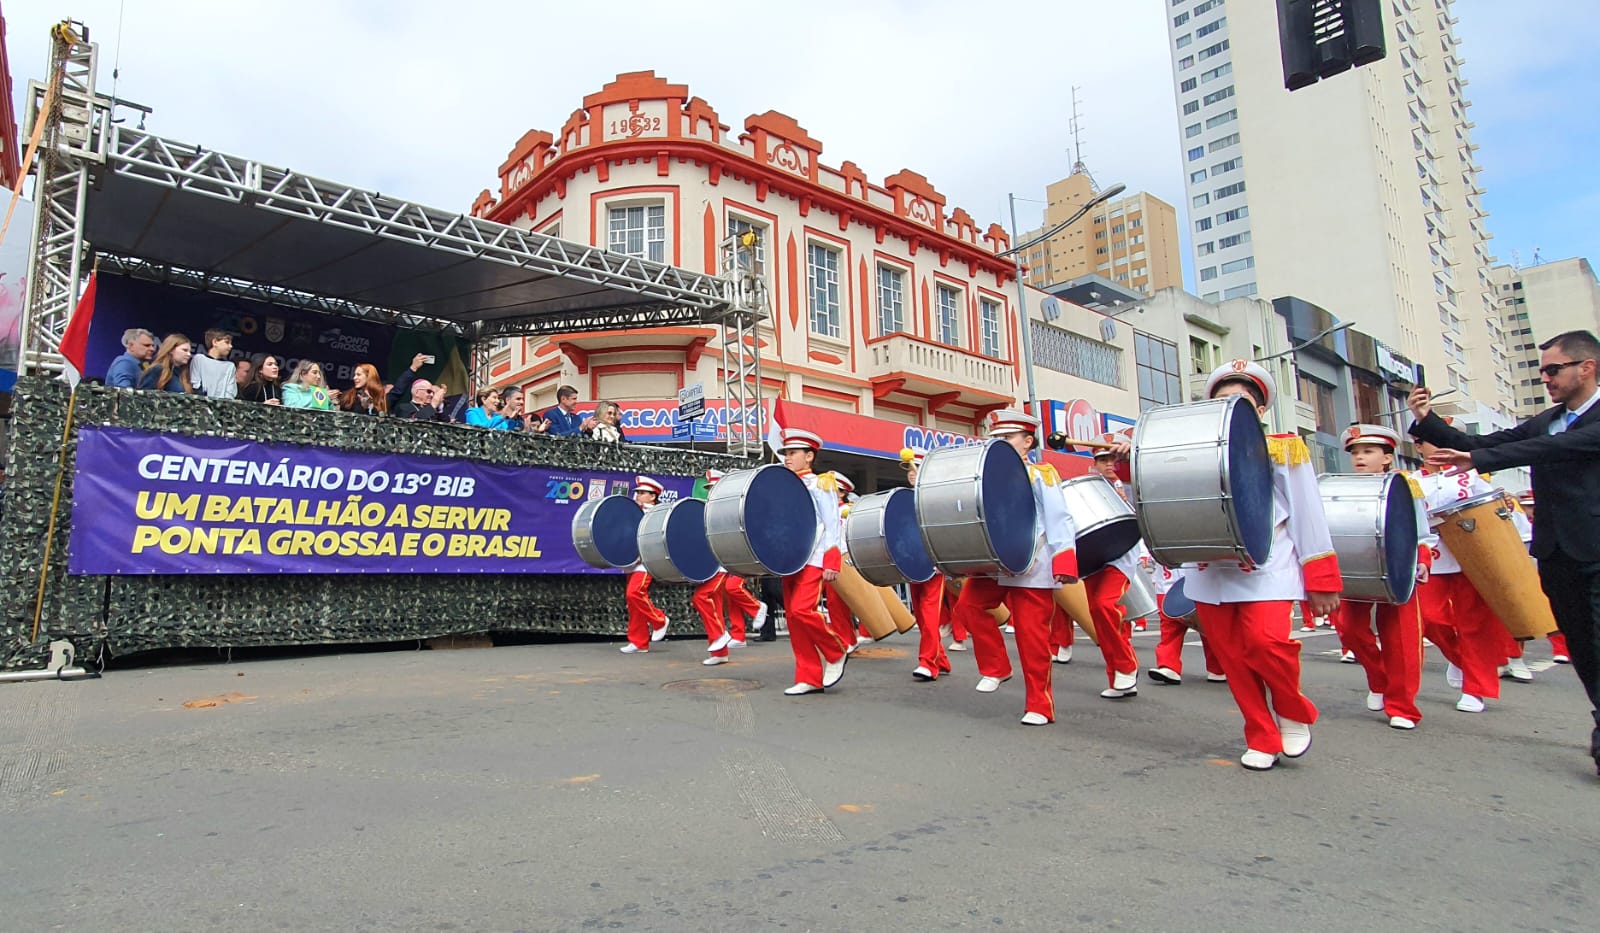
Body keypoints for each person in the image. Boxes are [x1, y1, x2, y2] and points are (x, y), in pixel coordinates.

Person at [1408, 329, 1600, 775]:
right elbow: (1490, 443)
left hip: (1595, 550)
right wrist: (1428, 419)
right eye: (1542, 371)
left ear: (1586, 367)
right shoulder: (1548, 420)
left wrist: (1483, 462)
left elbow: (1553, 449)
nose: (1546, 378)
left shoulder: (1573, 427)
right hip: (1556, 554)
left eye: (1554, 369)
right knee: (1584, 648)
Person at [1182, 360, 1342, 771]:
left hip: (1267, 566)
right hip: (1211, 570)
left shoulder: (1283, 446)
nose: (1233, 405)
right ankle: (1261, 735)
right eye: (1223, 399)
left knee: (1267, 643)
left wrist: (1321, 577)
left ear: (1261, 411)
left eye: (1243, 400)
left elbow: (1308, 512)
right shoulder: (1189, 448)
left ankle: (1291, 708)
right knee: (1233, 660)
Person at [946, 409, 1079, 725]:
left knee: (1032, 639)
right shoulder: (987, 477)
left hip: (1032, 562)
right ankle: (997, 667)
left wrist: (1064, 557)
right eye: (995, 438)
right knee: (968, 607)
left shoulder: (1041, 474)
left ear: (1027, 441)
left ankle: (1039, 705)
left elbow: (1060, 517)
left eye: (1007, 437)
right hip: (994, 563)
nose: (1000, 443)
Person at [1330, 424, 1433, 730]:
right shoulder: (1343, 487)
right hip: (1357, 568)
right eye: (1355, 453)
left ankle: (1402, 706)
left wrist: (1423, 559)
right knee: (1348, 629)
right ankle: (1379, 678)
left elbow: (1422, 530)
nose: (1359, 458)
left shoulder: (1405, 484)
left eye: (1368, 452)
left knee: (1400, 639)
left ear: (1387, 457)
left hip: (1399, 566)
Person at [773, 429, 849, 695]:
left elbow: (832, 524)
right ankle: (809, 676)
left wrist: (832, 561)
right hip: (790, 559)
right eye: (785, 453)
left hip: (815, 557)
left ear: (809, 456)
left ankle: (836, 650)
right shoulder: (784, 486)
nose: (787, 458)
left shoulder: (821, 484)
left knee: (802, 609)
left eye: (793, 453)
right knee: (793, 617)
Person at [902, 447, 953, 682]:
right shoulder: (908, 498)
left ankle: (928, 663)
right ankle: (940, 659)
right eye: (909, 469)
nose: (911, 473)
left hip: (933, 563)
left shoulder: (938, 497)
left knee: (930, 612)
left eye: (916, 468)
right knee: (922, 615)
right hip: (914, 564)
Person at [1146, 562, 1227, 685]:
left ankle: (1218, 668)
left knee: (1207, 628)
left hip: (1197, 584)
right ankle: (1168, 666)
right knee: (1169, 629)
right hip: (1167, 585)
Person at [620, 476, 671, 653]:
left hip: (647, 561)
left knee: (635, 593)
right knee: (633, 601)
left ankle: (660, 619)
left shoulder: (656, 513)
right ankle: (639, 642)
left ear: (653, 496)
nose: (638, 496)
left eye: (642, 493)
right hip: (632, 561)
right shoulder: (632, 511)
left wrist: (644, 552)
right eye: (637, 493)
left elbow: (658, 537)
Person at [820, 471, 860, 653]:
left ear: (842, 492)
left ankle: (847, 639)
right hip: (828, 559)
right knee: (834, 604)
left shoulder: (845, 509)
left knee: (839, 603)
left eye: (833, 490)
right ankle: (847, 638)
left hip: (843, 559)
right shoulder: (827, 509)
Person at [188, 329, 239, 399]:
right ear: (215, 342)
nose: (231, 346)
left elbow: (230, 391)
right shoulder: (199, 359)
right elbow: (195, 383)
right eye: (227, 342)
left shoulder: (230, 366)